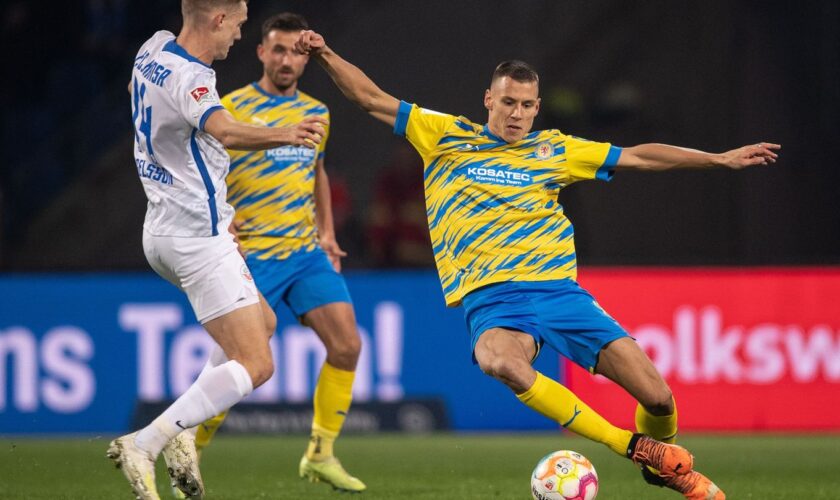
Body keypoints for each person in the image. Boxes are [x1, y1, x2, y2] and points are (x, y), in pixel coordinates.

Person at [296, 29, 781, 500]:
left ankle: (663, 462)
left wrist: (717, 160)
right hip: (494, 299)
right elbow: (369, 98)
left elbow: (638, 156)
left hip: (560, 294)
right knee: (499, 361)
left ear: (537, 108)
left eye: (528, 106)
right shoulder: (444, 134)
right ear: (488, 99)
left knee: (658, 398)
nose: (518, 114)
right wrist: (324, 54)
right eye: (509, 103)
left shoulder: (554, 150)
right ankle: (630, 445)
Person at [107, 1, 326, 499]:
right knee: (259, 363)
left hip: (160, 230)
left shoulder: (153, 48)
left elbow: (137, 97)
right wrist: (285, 133)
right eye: (241, 22)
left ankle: (184, 431)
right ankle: (146, 442)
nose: (240, 33)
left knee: (263, 323)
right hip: (196, 239)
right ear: (219, 19)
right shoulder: (193, 80)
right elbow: (223, 129)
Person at [178, 12, 366, 493]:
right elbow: (203, 168)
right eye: (277, 50)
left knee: (347, 345)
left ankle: (320, 454)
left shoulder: (318, 112)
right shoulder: (230, 108)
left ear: (306, 58)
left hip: (304, 253)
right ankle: (188, 456)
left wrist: (326, 230)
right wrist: (223, 218)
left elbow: (317, 171)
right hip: (250, 256)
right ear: (261, 52)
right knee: (238, 364)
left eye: (296, 52)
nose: (286, 60)